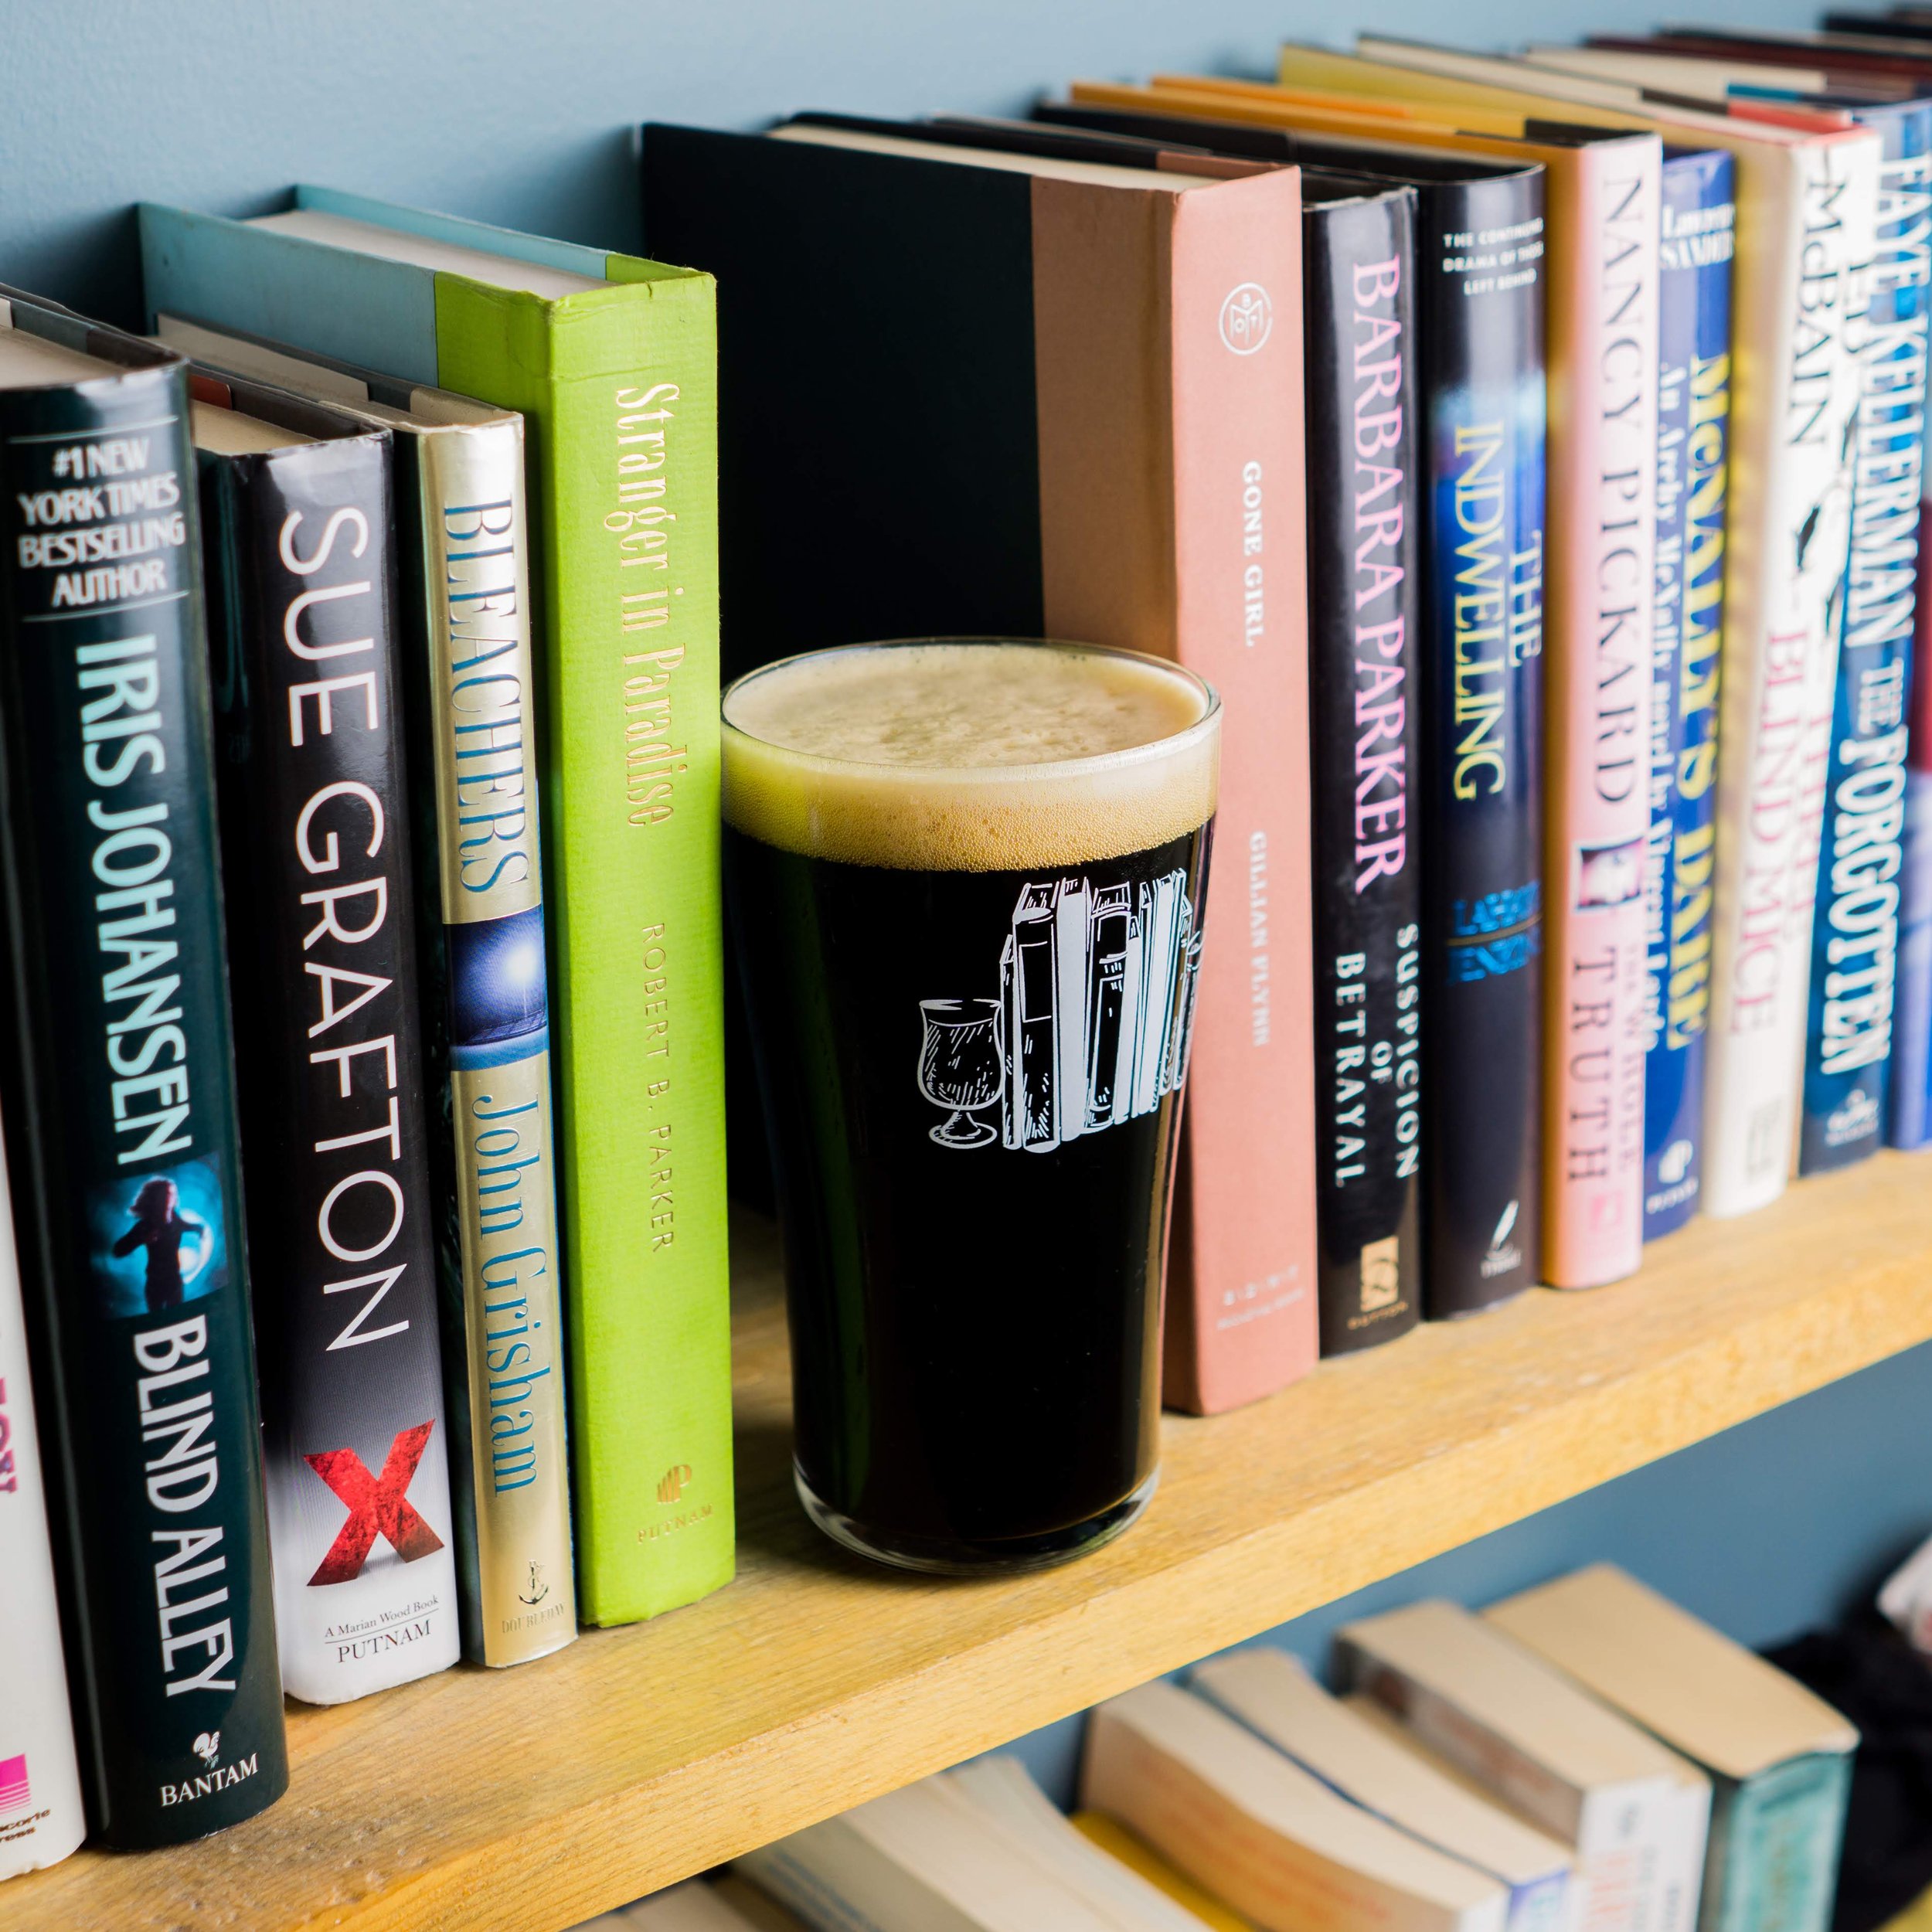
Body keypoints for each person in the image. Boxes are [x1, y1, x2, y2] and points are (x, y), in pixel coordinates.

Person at [112, 1177, 207, 1314]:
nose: (173, 1197)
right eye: (168, 1193)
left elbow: (186, 1226)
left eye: (174, 1193)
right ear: (158, 1198)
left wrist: (199, 1229)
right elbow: (118, 1250)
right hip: (156, 1283)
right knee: (158, 1317)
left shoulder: (175, 1218)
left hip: (174, 1281)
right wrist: (142, 1239)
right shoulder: (146, 1226)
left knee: (177, 1318)